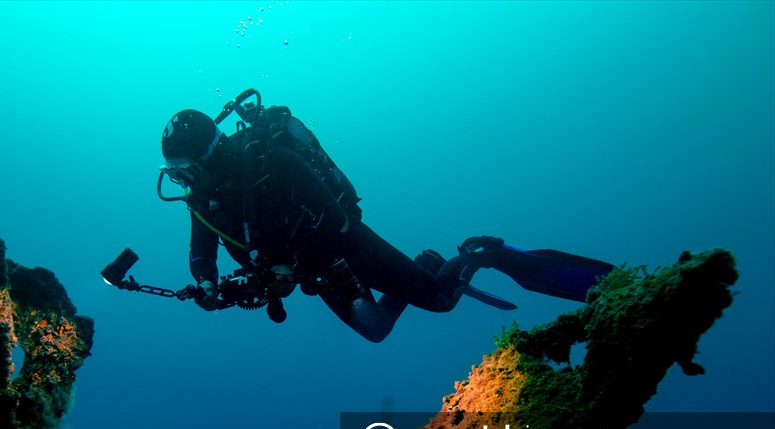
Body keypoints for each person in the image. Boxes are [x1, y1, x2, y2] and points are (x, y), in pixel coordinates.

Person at [159, 107, 612, 342]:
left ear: (212, 155)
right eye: (176, 174)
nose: (184, 183)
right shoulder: (202, 200)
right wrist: (206, 284)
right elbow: (202, 250)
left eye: (187, 171)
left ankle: (482, 253)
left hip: (346, 249)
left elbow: (336, 220)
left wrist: (287, 266)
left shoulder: (274, 163)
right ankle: (423, 265)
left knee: (439, 299)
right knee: (374, 329)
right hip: (315, 272)